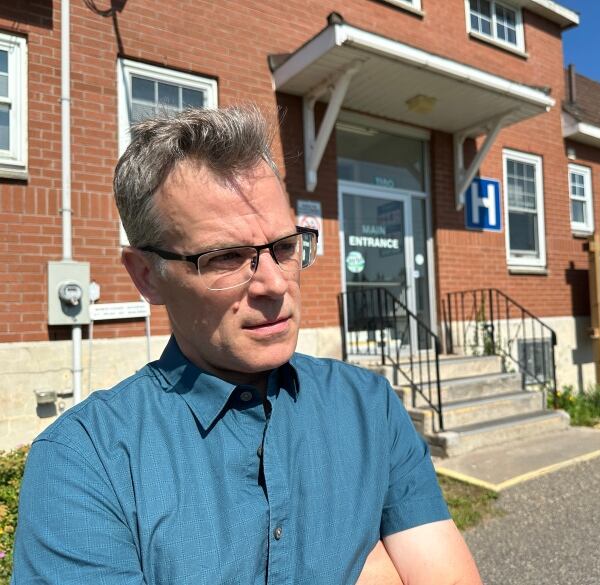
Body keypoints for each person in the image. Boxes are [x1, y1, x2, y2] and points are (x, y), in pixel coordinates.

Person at [12, 106, 482, 585]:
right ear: (147, 276)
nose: (274, 285)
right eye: (227, 258)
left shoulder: (368, 407)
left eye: (284, 247)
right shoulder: (85, 460)